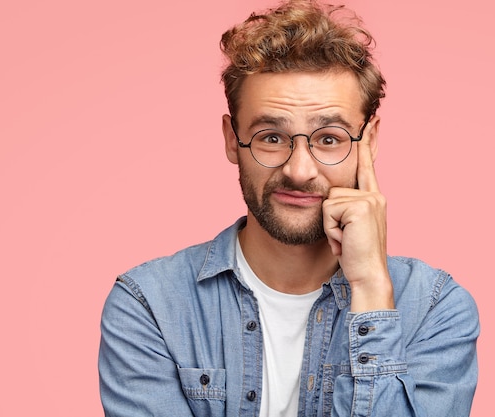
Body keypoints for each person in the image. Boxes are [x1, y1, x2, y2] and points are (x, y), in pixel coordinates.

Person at [98, 0, 479, 415]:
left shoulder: (436, 309)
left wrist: (371, 290)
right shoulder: (150, 304)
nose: (299, 171)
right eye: (271, 138)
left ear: (368, 143)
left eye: (329, 139)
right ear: (232, 139)